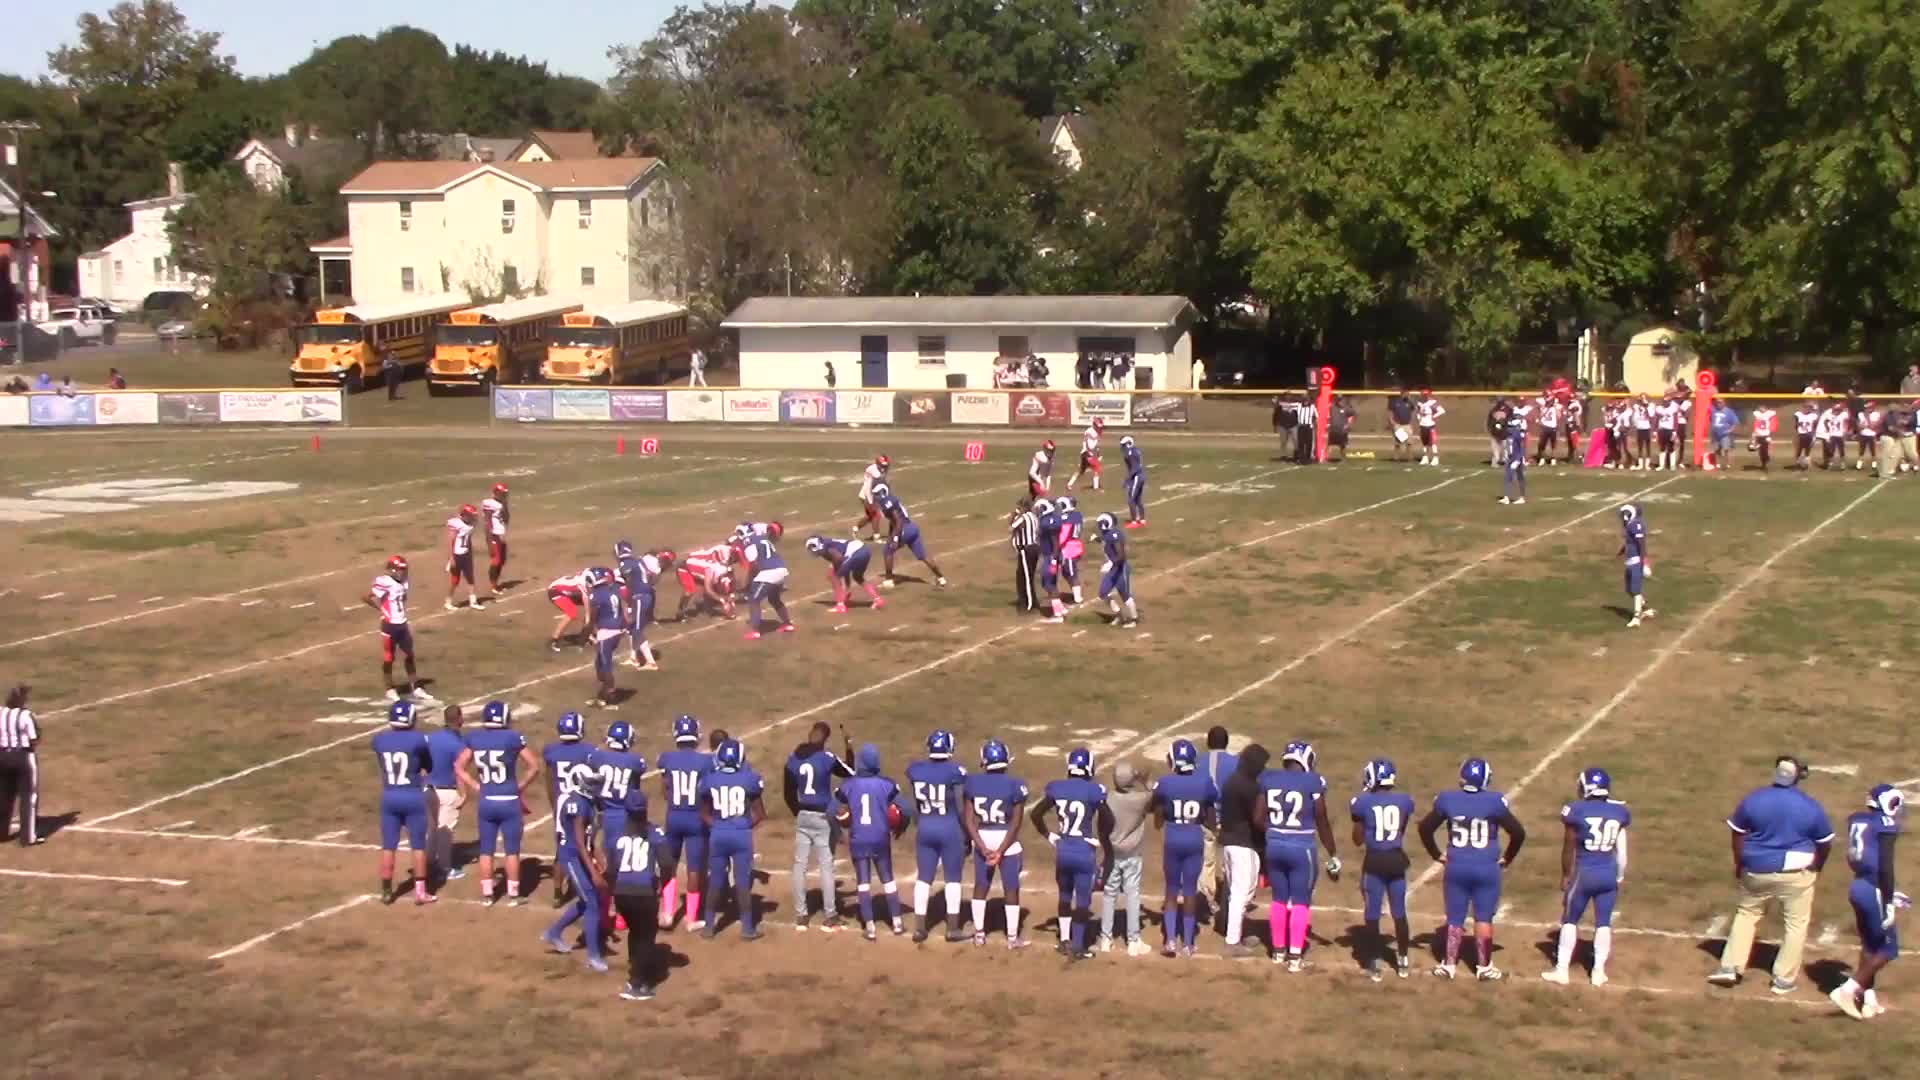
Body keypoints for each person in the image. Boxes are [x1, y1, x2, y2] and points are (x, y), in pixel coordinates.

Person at [1708, 756, 1835, 994]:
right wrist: (1817, 865)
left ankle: (1730, 967)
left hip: (1756, 868)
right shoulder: (1809, 805)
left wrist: (1740, 863)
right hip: (1797, 873)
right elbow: (1824, 842)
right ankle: (1783, 980)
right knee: (1795, 925)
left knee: (1747, 914)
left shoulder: (1754, 799)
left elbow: (1737, 833)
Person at [1418, 757, 1526, 981]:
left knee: (1455, 918)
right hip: (1486, 867)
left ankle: (1448, 965)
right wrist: (1507, 857)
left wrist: (1436, 855)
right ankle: (1484, 967)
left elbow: (1425, 828)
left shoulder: (1447, 799)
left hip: (1456, 867)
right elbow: (1518, 833)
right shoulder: (1494, 801)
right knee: (1483, 917)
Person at [1255, 741, 1338, 971]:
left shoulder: (1268, 778)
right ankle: (1294, 956)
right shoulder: (1313, 781)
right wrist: (1332, 852)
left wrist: (1276, 832)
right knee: (1301, 901)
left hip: (1274, 846)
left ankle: (1278, 951)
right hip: (1302, 848)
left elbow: (1258, 818)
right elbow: (1321, 819)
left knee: (1279, 899)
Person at [1542, 767, 1630, 986]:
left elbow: (1568, 847)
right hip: (1608, 873)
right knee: (1603, 923)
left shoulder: (1576, 809)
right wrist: (1619, 876)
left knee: (1570, 920)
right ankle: (1598, 973)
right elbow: (1622, 853)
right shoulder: (1619, 812)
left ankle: (1562, 971)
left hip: (1584, 874)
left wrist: (1565, 874)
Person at [1831, 784, 1909, 1019]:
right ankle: (1848, 990)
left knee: (1870, 945)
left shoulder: (1858, 820)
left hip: (1859, 885)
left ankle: (1868, 999)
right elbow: (1885, 866)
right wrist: (1888, 897)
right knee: (1888, 948)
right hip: (1874, 888)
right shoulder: (1884, 825)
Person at [455, 700, 542, 905]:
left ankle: (487, 894)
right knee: (512, 851)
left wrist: (476, 786)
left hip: (487, 800)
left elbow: (458, 766)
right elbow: (534, 766)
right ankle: (513, 895)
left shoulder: (475, 737)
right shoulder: (512, 737)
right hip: (509, 800)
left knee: (486, 850)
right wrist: (521, 786)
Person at [1031, 747, 1113, 962]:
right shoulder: (1094, 790)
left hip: (1063, 849)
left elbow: (1036, 813)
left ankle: (1064, 939)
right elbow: (1109, 819)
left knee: (1065, 895)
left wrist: (1049, 835)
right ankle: (1077, 945)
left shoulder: (1057, 788)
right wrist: (1101, 837)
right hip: (1083, 851)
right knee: (1083, 901)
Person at [837, 743, 912, 941]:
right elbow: (906, 809)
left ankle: (869, 927)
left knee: (863, 882)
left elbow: (831, 810)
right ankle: (897, 923)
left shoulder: (848, 785)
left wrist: (839, 829)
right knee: (888, 879)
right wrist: (901, 827)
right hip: (880, 837)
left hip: (858, 839)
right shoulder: (886, 784)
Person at [962, 738, 1031, 948]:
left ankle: (979, 934)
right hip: (1006, 839)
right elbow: (1016, 823)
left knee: (981, 886)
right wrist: (1000, 850)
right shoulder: (1015, 785)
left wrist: (982, 847)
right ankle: (1012, 937)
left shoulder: (972, 783)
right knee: (1011, 887)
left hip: (983, 835)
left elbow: (968, 821)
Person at [785, 721, 854, 931]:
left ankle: (801, 915)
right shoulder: (826, 758)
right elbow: (850, 772)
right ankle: (830, 914)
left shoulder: (793, 759)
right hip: (823, 817)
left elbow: (788, 794)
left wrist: (799, 812)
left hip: (803, 816)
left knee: (800, 865)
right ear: (825, 740)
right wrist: (849, 747)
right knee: (826, 865)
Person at [1350, 758, 1415, 980]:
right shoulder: (1404, 801)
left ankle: (1374, 963)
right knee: (1399, 912)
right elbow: (1401, 828)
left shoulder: (1362, 802)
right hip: (1396, 859)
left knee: (1372, 913)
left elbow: (1357, 840)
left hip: (1375, 861)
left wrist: (1360, 820)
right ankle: (1403, 960)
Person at [541, 766, 610, 973]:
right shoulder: (576, 804)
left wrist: (598, 856)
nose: (595, 786)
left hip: (580, 854)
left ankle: (553, 932)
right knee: (591, 903)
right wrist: (594, 872)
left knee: (588, 900)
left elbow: (588, 839)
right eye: (591, 782)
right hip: (572, 857)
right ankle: (593, 956)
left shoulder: (587, 802)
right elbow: (579, 842)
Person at [1151, 741, 1215, 959]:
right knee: (1189, 891)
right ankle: (1188, 943)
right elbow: (1210, 820)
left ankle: (1170, 940)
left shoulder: (1165, 783)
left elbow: (1158, 822)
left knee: (1171, 890)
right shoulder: (1204, 782)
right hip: (1194, 838)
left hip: (1173, 837)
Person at [906, 729, 970, 944]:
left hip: (925, 827)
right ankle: (952, 928)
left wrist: (920, 823)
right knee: (953, 879)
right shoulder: (956, 771)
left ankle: (919, 928)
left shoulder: (916, 770)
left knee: (924, 878)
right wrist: (967, 834)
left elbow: (914, 806)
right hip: (949, 828)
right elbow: (960, 807)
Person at [698, 738, 765, 939]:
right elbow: (760, 813)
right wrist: (743, 826)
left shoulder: (709, 780)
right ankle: (747, 929)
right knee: (742, 882)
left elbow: (703, 813)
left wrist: (717, 825)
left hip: (718, 834)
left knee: (715, 881)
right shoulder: (750, 779)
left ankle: (709, 927)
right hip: (741, 835)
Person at [608, 787, 668, 1000]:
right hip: (644, 893)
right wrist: (661, 884)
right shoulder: (654, 832)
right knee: (646, 936)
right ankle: (635, 984)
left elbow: (612, 869)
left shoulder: (616, 835)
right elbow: (667, 864)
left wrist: (613, 895)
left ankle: (636, 965)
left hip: (622, 893)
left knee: (635, 931)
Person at [372, 700, 435, 905]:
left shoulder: (379, 740)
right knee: (418, 847)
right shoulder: (419, 739)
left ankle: (386, 891)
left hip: (390, 796)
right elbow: (428, 765)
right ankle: (420, 892)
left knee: (388, 846)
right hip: (412, 796)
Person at [655, 714, 712, 931]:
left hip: (674, 816)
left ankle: (668, 913)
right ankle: (691, 918)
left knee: (669, 865)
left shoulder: (666, 759)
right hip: (696, 817)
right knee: (694, 868)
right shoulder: (706, 762)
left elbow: (664, 791)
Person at [593, 721, 646, 932]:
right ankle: (621, 916)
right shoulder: (635, 761)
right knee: (624, 868)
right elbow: (636, 787)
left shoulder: (597, 757)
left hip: (603, 815)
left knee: (607, 867)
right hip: (624, 816)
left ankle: (604, 913)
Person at [1218, 743, 1268, 957]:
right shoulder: (1250, 787)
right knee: (1242, 893)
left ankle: (1235, 932)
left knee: (1236, 891)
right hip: (1242, 844)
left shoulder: (1231, 781)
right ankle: (1232, 942)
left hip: (1229, 842)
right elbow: (1257, 819)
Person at [543, 711, 598, 908]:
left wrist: (555, 805)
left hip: (561, 804)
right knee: (586, 844)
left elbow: (549, 782)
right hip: (581, 802)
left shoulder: (551, 751)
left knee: (562, 848)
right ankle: (586, 883)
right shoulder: (588, 751)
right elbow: (593, 780)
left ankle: (558, 893)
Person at [1099, 760, 1153, 956]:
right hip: (1132, 854)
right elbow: (1154, 793)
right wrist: (1142, 780)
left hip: (1112, 853)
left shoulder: (1108, 798)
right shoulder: (1141, 799)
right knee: (1132, 894)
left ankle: (1106, 939)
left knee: (1109, 894)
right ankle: (1133, 941)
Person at [364, 556, 426, 702]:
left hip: (402, 623)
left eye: (403, 569)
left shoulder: (404, 582)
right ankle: (389, 689)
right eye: (400, 569)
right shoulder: (385, 582)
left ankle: (415, 687)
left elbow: (402, 599)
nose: (402, 572)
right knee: (389, 658)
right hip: (389, 625)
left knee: (409, 655)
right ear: (392, 570)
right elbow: (366, 597)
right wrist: (381, 609)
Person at [423, 704, 467, 885]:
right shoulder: (458, 744)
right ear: (460, 719)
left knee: (431, 830)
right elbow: (459, 770)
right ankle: (445, 869)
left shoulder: (430, 738)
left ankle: (427, 865)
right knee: (445, 830)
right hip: (446, 791)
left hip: (427, 790)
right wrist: (464, 794)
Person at [876, 483, 949, 590]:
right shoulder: (890, 499)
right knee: (923, 556)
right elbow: (893, 522)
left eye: (877, 493)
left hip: (903, 529)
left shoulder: (887, 503)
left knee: (888, 551)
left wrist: (895, 538)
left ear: (882, 492)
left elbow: (898, 521)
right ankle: (941, 578)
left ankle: (888, 581)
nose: (876, 496)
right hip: (912, 527)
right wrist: (891, 534)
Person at [1196, 727, 1236, 917]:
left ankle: (1207, 900)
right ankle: (1229, 899)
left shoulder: (1198, 762)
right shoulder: (1236, 763)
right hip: (1229, 818)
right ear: (1226, 743)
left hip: (1205, 818)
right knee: (1229, 862)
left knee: (1207, 861)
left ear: (1208, 742)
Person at [0, 685, 42, 846]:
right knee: (28, 796)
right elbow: (35, 738)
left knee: (3, 795)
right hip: (23, 757)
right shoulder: (26, 715)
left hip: (2, 756)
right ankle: (28, 837)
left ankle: (1, 833)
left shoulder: (0, 712)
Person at [739, 526, 794, 639]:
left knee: (754, 600)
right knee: (774, 599)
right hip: (781, 570)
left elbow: (753, 566)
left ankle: (755, 631)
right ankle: (787, 624)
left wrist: (748, 583)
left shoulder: (749, 543)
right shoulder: (762, 538)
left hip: (768, 573)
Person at [585, 567, 625, 708]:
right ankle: (604, 694)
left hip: (606, 633)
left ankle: (610, 698)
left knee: (605, 667)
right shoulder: (613, 590)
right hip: (615, 630)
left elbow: (593, 618)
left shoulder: (596, 595)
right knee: (599, 664)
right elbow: (620, 611)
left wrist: (587, 634)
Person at [1094, 512, 1138, 628]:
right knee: (1103, 593)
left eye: (1100, 523)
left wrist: (1111, 564)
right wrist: (1096, 539)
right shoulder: (1107, 534)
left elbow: (1121, 556)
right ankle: (1119, 615)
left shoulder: (1114, 535)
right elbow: (1105, 542)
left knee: (1125, 595)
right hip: (1113, 568)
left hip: (1120, 568)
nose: (1098, 526)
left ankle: (1134, 620)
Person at [1619, 503, 1654, 628]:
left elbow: (1641, 543)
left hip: (1636, 561)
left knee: (1635, 590)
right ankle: (1646, 609)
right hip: (1630, 561)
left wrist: (1644, 562)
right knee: (1629, 589)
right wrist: (1622, 550)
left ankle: (1636, 617)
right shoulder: (1631, 524)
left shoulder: (1635, 525)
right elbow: (1631, 542)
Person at [444, 505, 483, 612]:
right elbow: (451, 541)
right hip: (457, 555)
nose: (472, 517)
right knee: (455, 581)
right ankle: (448, 601)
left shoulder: (471, 524)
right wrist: (451, 558)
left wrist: (469, 552)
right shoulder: (456, 524)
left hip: (466, 555)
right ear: (465, 515)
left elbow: (468, 539)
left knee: (470, 578)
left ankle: (473, 602)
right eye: (470, 515)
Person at [1008, 499, 1041, 614]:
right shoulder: (1034, 517)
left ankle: (1029, 605)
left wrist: (1013, 515)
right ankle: (1030, 600)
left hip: (1026, 550)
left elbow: (1011, 528)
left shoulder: (1023, 517)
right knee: (1025, 576)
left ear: (1024, 507)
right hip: (1034, 548)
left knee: (1026, 577)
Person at [479, 483, 510, 599]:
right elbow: (488, 522)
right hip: (494, 535)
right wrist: (489, 540)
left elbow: (506, 519)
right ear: (496, 493)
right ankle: (493, 586)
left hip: (501, 534)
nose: (504, 495)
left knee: (502, 560)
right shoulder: (489, 503)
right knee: (496, 561)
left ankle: (496, 584)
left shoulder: (502, 504)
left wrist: (505, 505)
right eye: (502, 493)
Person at [1497, 403, 1528, 506]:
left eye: (1510, 426)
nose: (1509, 428)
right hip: (1511, 457)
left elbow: (1521, 449)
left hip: (1517, 458)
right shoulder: (1509, 433)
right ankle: (1506, 497)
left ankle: (1521, 497)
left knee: (1519, 477)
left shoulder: (1517, 435)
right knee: (1508, 477)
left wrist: (1518, 460)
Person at [853, 455, 889, 538]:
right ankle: (876, 536)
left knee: (870, 516)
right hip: (867, 495)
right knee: (876, 515)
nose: (883, 467)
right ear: (877, 464)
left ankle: (856, 529)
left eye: (885, 465)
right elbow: (869, 488)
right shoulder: (875, 474)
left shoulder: (878, 470)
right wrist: (871, 501)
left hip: (869, 494)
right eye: (882, 465)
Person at [1067, 417, 1104, 492]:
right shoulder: (1091, 432)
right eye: (1098, 426)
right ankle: (1096, 488)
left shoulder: (1093, 431)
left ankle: (1069, 484)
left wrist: (1098, 453)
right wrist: (1093, 454)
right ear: (1094, 425)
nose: (1099, 428)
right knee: (1096, 469)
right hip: (1088, 453)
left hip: (1086, 453)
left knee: (1081, 470)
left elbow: (1096, 445)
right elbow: (1090, 445)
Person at [1120, 435, 1146, 528]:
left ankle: (1134, 521)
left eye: (1123, 445)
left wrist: (1127, 479)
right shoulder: (1135, 450)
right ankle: (1142, 520)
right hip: (1141, 475)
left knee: (1131, 500)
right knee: (1138, 499)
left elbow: (1135, 468)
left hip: (1136, 477)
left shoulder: (1130, 453)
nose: (1122, 447)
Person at [1415, 389, 1445, 466]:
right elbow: (1418, 412)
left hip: (1430, 425)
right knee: (1424, 442)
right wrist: (1419, 418)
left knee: (1432, 442)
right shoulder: (1419, 403)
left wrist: (1434, 416)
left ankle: (1435, 458)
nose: (1425, 396)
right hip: (1422, 425)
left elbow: (1442, 411)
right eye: (1423, 395)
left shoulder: (1432, 403)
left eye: (1426, 395)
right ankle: (1425, 457)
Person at [1708, 399, 1739, 471]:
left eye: (1720, 403)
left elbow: (1735, 422)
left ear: (1724, 403)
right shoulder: (1713, 410)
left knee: (1726, 449)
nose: (1718, 404)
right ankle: (1718, 463)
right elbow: (1711, 419)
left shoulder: (1729, 411)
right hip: (1715, 433)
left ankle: (1727, 464)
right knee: (1716, 449)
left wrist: (1730, 430)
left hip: (1725, 434)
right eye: (1717, 403)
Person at [1387, 389, 1416, 463]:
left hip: (1407, 425)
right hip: (1398, 425)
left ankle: (1409, 458)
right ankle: (1396, 458)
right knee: (1398, 442)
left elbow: (1413, 411)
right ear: (1402, 394)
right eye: (1405, 394)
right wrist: (1391, 421)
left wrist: (1411, 422)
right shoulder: (1395, 402)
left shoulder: (1410, 402)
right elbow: (1390, 411)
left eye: (1408, 394)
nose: (1406, 395)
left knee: (1409, 443)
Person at [1749, 402, 1778, 472]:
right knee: (1760, 450)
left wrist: (1771, 430)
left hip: (1765, 434)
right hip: (1758, 434)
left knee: (1765, 449)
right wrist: (1753, 435)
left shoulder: (1769, 413)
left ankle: (1766, 460)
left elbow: (1773, 417)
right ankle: (1763, 463)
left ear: (1765, 408)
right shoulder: (1757, 413)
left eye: (1762, 407)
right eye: (1760, 407)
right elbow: (1755, 418)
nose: (1761, 409)